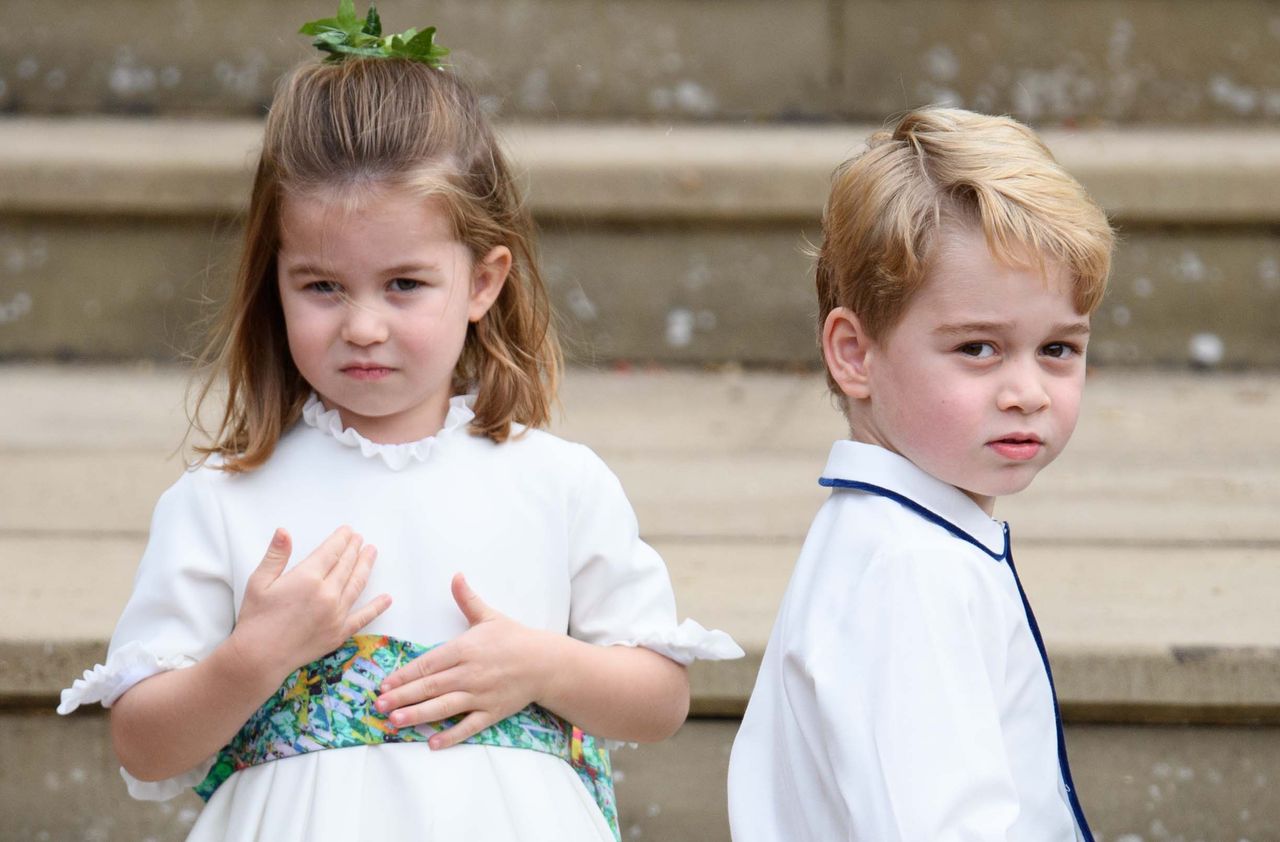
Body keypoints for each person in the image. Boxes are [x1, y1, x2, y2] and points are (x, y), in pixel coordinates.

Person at [58, 7, 741, 841]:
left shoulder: (557, 482)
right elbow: (144, 743)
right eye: (322, 287)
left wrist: (540, 662)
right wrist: (256, 656)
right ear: (274, 281)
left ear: (484, 283)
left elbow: (660, 700)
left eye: (405, 285)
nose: (364, 326)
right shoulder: (222, 501)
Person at [727, 107, 1115, 841]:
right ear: (854, 354)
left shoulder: (902, 542)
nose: (1027, 391)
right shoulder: (910, 571)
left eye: (1059, 349)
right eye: (978, 348)